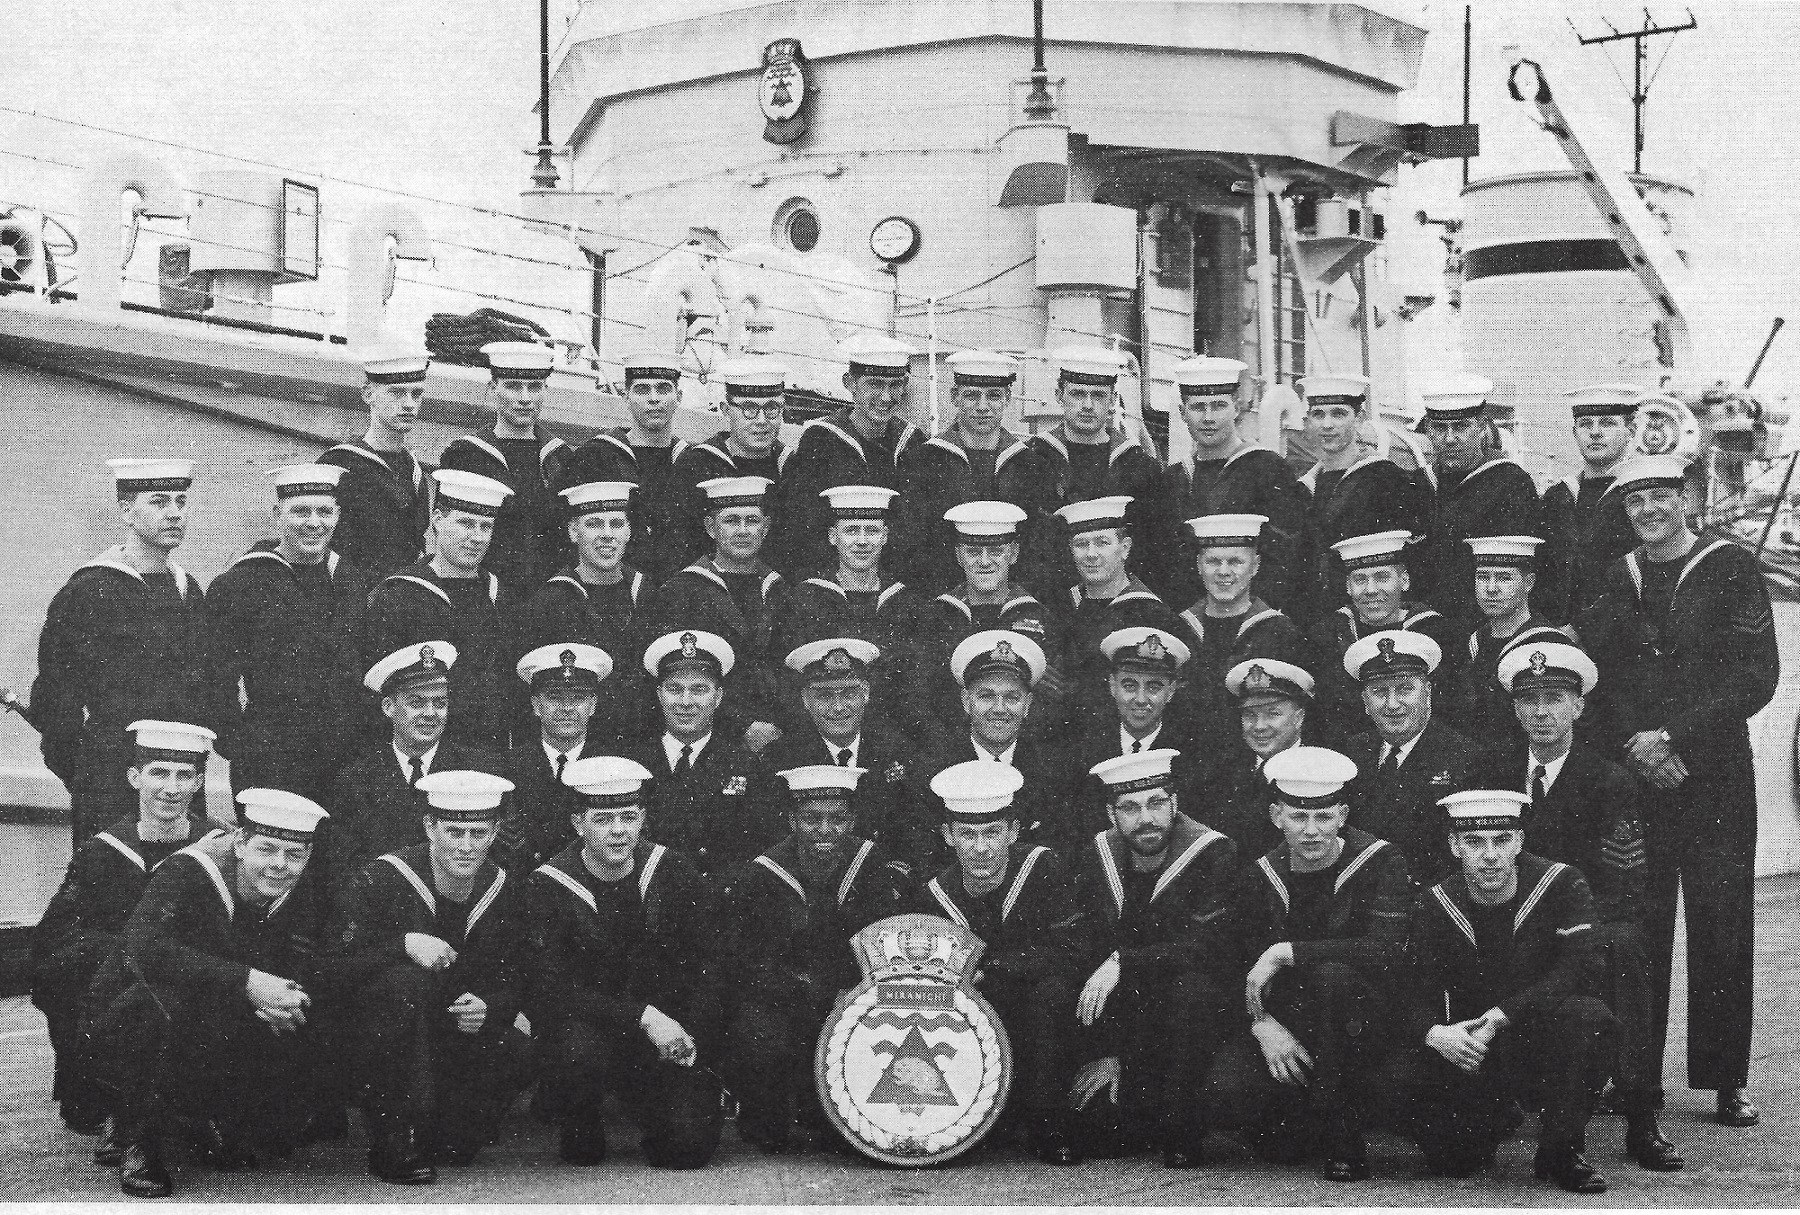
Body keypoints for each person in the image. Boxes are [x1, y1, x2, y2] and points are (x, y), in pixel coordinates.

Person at [1579, 453, 1777, 1128]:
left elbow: (1756, 676)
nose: (1649, 511)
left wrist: (1674, 736)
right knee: (1641, 927)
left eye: (1660, 496)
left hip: (1715, 775)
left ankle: (1726, 1081)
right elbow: (1600, 677)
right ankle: (1637, 1078)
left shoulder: (1730, 566)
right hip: (1642, 775)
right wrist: (1639, 743)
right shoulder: (1620, 575)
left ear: (1685, 496)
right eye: (1635, 502)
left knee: (1722, 924)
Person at [1478, 641, 1681, 1171]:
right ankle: (1493, 1097)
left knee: (1627, 949)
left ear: (1579, 706)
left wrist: (1571, 928)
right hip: (1506, 918)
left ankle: (1641, 1114)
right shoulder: (1491, 768)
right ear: (1514, 708)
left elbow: (1623, 883)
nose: (1541, 712)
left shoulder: (1608, 779)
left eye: (1554, 700)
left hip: (1582, 922)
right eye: (1529, 700)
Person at [86, 789, 334, 1198]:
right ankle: (139, 1137)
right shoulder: (189, 870)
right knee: (157, 1009)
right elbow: (143, 948)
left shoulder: (303, 889)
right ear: (240, 843)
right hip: (137, 1005)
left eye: (294, 855)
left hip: (223, 1004)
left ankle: (204, 1116)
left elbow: (308, 957)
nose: (279, 865)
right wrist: (248, 983)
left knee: (273, 1133)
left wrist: (282, 995)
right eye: (267, 849)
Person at [1383, 791, 1616, 1193]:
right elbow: (1410, 989)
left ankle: (1561, 1149)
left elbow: (1581, 968)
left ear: (1520, 842)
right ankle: (1494, 1116)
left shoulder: (1561, 883)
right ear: (1454, 846)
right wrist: (1436, 1033)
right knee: (1452, 1158)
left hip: (1539, 1033)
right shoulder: (1436, 902)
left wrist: (1505, 1013)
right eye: (1474, 842)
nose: (1489, 856)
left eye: (1502, 841)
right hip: (1474, 1047)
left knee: (1592, 1020)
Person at [1205, 746, 1410, 1182]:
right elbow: (1233, 961)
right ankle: (1299, 1117)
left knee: (1332, 975)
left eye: (1324, 817)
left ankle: (1343, 1138)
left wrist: (1288, 951)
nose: (1311, 831)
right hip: (1291, 1024)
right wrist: (1261, 1024)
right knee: (1231, 1094)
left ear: (1343, 816)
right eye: (1299, 817)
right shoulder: (1261, 873)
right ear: (1277, 816)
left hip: (1363, 1024)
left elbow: (1387, 948)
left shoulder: (1381, 860)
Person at [524, 755, 723, 1169]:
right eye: (603, 819)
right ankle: (580, 1114)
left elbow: (709, 963)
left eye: (628, 817)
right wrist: (642, 1016)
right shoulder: (548, 884)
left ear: (643, 818)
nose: (618, 831)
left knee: (686, 1150)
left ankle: (654, 1105)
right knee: (583, 1147)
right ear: (578, 823)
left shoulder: (672, 871)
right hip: (591, 1031)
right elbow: (551, 990)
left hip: (664, 1033)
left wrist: (690, 1033)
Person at [31, 721, 225, 1145]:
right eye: (159, 773)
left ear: (198, 783)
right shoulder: (102, 852)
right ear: (134, 777)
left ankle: (190, 1104)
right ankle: (109, 1100)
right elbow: (56, 938)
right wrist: (131, 954)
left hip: (191, 979)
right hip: (115, 979)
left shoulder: (218, 847)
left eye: (185, 775)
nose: (171, 789)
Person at [334, 770, 530, 1183]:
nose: (466, 846)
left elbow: (516, 972)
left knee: (514, 1047)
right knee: (405, 983)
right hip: (383, 1033)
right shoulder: (382, 878)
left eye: (478, 833)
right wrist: (402, 945)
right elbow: (330, 969)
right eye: (454, 832)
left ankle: (447, 1126)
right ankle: (394, 1136)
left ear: (495, 832)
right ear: (429, 827)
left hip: (453, 1030)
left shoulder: (503, 886)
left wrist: (490, 1005)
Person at [32, 458, 230, 840]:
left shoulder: (188, 590)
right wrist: (90, 776)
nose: (174, 513)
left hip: (180, 782)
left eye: (180, 502)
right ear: (126, 510)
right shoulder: (88, 591)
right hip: (109, 782)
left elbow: (206, 689)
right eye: (159, 502)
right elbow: (55, 702)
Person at [1065, 747, 1239, 1167]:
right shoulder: (1098, 855)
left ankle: (1182, 1128)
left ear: (1175, 804)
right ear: (1111, 815)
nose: (1146, 818)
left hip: (1190, 1015)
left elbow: (1207, 950)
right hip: (1126, 1018)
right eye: (1130, 808)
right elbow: (1086, 953)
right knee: (1095, 1129)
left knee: (1192, 989)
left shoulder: (1213, 852)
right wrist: (1109, 1051)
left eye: (1156, 803)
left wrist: (1124, 961)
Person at [724, 763, 907, 1153]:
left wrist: (850, 993)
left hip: (855, 996)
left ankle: (834, 1113)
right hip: (786, 997)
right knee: (759, 1036)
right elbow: (750, 961)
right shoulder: (763, 874)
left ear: (852, 821)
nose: (825, 829)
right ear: (792, 820)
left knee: (837, 1132)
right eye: (811, 819)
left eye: (837, 819)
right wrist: (804, 991)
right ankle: (766, 1112)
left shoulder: (872, 864)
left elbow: (886, 942)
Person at [910, 761, 1082, 1164]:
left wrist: (997, 969)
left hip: (1035, 1003)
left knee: (1052, 993)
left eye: (992, 832)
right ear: (948, 836)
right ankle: (966, 1119)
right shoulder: (933, 893)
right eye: (967, 835)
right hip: (976, 1008)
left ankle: (1048, 1123)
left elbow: (1072, 949)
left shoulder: (1043, 868)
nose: (981, 848)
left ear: (1013, 831)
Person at [206, 463, 376, 803]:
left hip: (344, 762)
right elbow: (214, 678)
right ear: (277, 514)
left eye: (325, 512)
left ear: (338, 515)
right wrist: (241, 744)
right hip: (272, 759)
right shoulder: (242, 583)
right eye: (300, 511)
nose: (314, 523)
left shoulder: (351, 580)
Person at [323, 642, 504, 886]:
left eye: (440, 703)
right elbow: (344, 871)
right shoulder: (357, 780)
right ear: (388, 707)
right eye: (417, 703)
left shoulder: (480, 770)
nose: (430, 713)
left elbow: (498, 859)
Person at [365, 469, 521, 752]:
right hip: (420, 750)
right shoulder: (400, 594)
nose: (477, 537)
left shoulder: (500, 596)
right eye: (466, 523)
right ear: (437, 519)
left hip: (486, 748)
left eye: (485, 527)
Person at [1014, 348, 1177, 596]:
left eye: (1098, 395)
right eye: (1078, 394)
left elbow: (1155, 552)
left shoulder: (1140, 466)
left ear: (1113, 400)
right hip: (1050, 599)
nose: (1088, 405)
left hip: (1118, 601)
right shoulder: (1031, 460)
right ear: (1059, 395)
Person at [758, 638, 928, 874]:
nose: (838, 707)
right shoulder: (780, 759)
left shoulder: (898, 751)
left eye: (849, 694)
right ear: (806, 700)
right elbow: (772, 838)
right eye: (824, 696)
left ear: (865, 693)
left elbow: (914, 832)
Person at [646, 475, 788, 751]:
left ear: (766, 527)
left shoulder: (780, 590)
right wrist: (741, 725)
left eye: (752, 520)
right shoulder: (680, 592)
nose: (743, 530)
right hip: (712, 734)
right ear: (711, 528)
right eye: (731, 521)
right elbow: (671, 679)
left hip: (778, 733)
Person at [777, 484, 931, 737]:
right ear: (832, 536)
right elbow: (789, 680)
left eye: (872, 530)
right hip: (822, 732)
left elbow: (917, 688)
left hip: (894, 735)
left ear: (885, 536)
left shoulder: (908, 603)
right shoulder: (804, 599)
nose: (862, 541)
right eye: (851, 530)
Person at [623, 631, 774, 881]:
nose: (685, 702)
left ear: (718, 697)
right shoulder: (632, 764)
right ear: (659, 695)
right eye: (674, 689)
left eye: (699, 690)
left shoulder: (744, 764)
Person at [1164, 356, 1309, 614]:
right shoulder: (1173, 479)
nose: (1208, 418)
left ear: (1237, 407)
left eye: (1219, 406)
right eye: (1198, 407)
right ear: (1182, 413)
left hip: (1251, 617)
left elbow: (1287, 558)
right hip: (1189, 619)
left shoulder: (1267, 469)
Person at [772, 335, 923, 577]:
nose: (886, 397)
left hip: (897, 578)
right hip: (833, 576)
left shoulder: (912, 441)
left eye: (895, 385)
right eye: (874, 384)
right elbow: (803, 527)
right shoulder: (821, 440)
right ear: (849, 383)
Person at [1338, 631, 1478, 887]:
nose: (1392, 704)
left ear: (1427, 692)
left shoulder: (1465, 757)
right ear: (1365, 702)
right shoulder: (1352, 752)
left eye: (1405, 689)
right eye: (1380, 691)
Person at [518, 481, 652, 746]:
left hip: (640, 740)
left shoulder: (648, 594)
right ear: (573, 531)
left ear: (628, 531)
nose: (607, 535)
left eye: (616, 524)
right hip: (576, 745)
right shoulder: (549, 602)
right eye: (594, 524)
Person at [893, 350, 1037, 591]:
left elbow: (1033, 545)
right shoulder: (924, 460)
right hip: (941, 594)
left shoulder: (1027, 463)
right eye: (971, 395)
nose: (983, 406)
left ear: (1007, 399)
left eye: (993, 396)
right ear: (954, 397)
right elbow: (912, 543)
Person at [922, 501, 1066, 738]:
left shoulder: (1039, 618)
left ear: (1014, 553)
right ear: (959, 555)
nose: (985, 561)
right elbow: (924, 697)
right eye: (973, 552)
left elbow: (1051, 698)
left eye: (996, 551)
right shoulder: (936, 616)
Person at [923, 630, 1072, 858]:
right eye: (986, 696)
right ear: (966, 701)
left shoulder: (1054, 771)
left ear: (1027, 705)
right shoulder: (934, 770)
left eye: (1012, 697)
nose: (1000, 709)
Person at [1306, 530, 1460, 745]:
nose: (1370, 590)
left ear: (1404, 580)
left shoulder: (1438, 633)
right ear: (1348, 587)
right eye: (1360, 579)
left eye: (1382, 577)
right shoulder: (1328, 636)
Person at [438, 340, 569, 592]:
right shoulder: (467, 454)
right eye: (513, 386)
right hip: (484, 593)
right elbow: (448, 539)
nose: (525, 398)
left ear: (545, 390)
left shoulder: (560, 457)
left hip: (549, 596)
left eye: (534, 387)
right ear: (493, 388)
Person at [554, 352, 691, 586]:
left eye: (663, 389)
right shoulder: (595, 456)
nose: (654, 399)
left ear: (678, 396)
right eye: (642, 390)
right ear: (626, 397)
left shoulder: (692, 462)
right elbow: (562, 534)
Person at [1413, 374, 1544, 619]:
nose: (1450, 438)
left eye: (1461, 427)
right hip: (1425, 622)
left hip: (1486, 623)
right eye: (1440, 428)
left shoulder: (1510, 483)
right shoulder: (1417, 485)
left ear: (1482, 427)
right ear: (1428, 430)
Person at [1052, 496, 1182, 739]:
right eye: (1081, 544)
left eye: (1102, 543)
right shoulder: (1063, 608)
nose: (1091, 554)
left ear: (1124, 548)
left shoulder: (1153, 615)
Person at [1297, 375, 1428, 613]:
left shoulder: (1386, 479)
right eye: (1318, 414)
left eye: (1338, 414)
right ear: (1308, 422)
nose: (1327, 425)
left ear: (1359, 418)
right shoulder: (1304, 487)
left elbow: (1411, 566)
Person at [1064, 627, 1207, 842]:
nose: (1141, 699)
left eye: (1154, 687)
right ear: (1113, 686)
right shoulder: (1082, 751)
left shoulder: (1194, 756)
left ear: (1171, 691)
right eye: (1129, 686)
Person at [1172, 513, 1309, 738]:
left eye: (1235, 562)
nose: (1224, 571)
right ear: (1198, 565)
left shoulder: (1280, 632)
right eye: (1213, 561)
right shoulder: (1178, 629)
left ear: (1255, 566)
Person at [1438, 536, 1570, 742]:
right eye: (1483, 577)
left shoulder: (1546, 643)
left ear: (1528, 583)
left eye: (1504, 578)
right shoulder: (1476, 641)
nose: (1491, 588)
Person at [500, 643, 613, 873]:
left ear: (593, 705)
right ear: (536, 705)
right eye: (554, 697)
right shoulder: (508, 766)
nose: (567, 708)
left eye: (578, 697)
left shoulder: (610, 766)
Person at [670, 356, 791, 567]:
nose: (761, 420)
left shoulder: (791, 467)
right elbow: (678, 547)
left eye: (772, 408)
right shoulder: (697, 464)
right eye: (749, 409)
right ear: (726, 409)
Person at [321, 348, 431, 578]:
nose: (409, 404)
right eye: (397, 393)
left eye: (416, 394)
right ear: (368, 394)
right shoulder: (340, 464)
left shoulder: (414, 471)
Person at [1541, 385, 1641, 624]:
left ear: (1631, 430)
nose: (1595, 433)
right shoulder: (1557, 497)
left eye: (1607, 423)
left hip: (1620, 631)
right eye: (1586, 424)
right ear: (1574, 432)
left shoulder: (1640, 496)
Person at [1208, 657, 1318, 858]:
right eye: (1250, 715)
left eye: (1273, 714)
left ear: (1298, 718)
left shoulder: (1317, 773)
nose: (1259, 726)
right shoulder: (1223, 772)